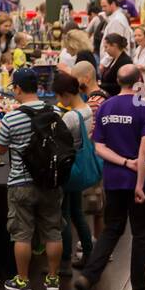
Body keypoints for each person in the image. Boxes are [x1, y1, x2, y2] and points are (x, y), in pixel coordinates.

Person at [75, 64, 145, 290]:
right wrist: (140, 182)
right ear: (139, 82)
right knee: (141, 236)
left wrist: (122, 162)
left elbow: (99, 147)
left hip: (113, 179)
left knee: (112, 229)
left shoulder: (106, 107)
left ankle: (89, 277)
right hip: (139, 182)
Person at [0, 67, 67, 290]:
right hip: (50, 181)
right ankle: (53, 278)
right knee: (53, 230)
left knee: (22, 233)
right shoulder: (55, 111)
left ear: (17, 88)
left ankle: (23, 280)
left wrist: (0, 130)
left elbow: (0, 148)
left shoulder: (11, 117)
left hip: (20, 183)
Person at [54, 72, 95, 276]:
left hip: (68, 168)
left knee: (64, 215)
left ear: (66, 95)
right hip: (80, 168)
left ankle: (64, 261)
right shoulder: (87, 109)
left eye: (59, 96)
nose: (58, 101)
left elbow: (56, 138)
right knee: (78, 212)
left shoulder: (70, 117)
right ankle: (88, 252)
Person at [98, 33, 134, 99]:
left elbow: (121, 84)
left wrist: (100, 85)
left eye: (106, 47)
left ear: (114, 46)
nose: (105, 50)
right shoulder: (114, 59)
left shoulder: (125, 61)